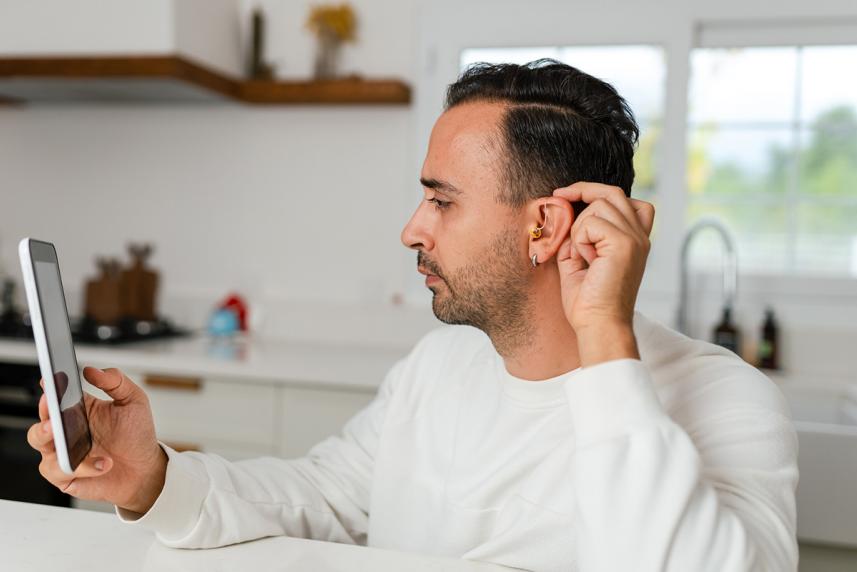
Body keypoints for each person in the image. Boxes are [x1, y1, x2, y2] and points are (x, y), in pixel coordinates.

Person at [26, 60, 798, 571]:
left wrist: (603, 334)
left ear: (547, 228)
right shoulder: (437, 369)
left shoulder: (727, 402)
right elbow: (320, 495)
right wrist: (152, 479)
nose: (411, 229)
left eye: (441, 200)